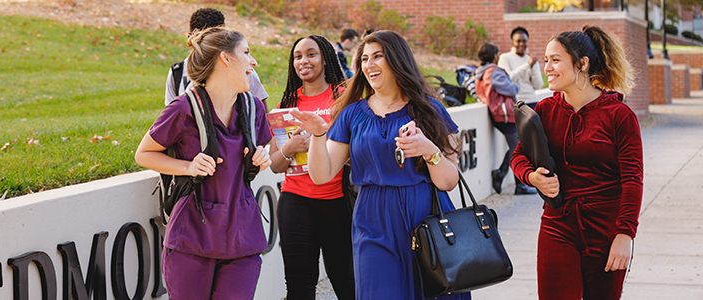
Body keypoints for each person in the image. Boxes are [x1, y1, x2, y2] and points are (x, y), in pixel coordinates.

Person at [289, 30, 470, 300]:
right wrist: (318, 134)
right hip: (372, 220)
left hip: (426, 216)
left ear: (397, 60)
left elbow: (448, 181)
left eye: (377, 56)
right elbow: (321, 174)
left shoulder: (430, 110)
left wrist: (429, 150)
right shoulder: (352, 113)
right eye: (364, 59)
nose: (369, 64)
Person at [134, 26, 272, 299]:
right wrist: (188, 167)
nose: (253, 61)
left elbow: (268, 149)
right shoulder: (183, 108)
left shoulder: (254, 108)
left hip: (243, 236)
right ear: (225, 58)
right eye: (246, 52)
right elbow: (144, 154)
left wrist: (263, 156)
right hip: (192, 236)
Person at [511, 25, 641, 299]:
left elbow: (632, 179)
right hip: (557, 226)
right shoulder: (545, 110)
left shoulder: (619, 115)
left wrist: (625, 235)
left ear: (582, 64)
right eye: (546, 60)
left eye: (555, 60)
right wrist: (532, 177)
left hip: (606, 232)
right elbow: (519, 156)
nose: (547, 67)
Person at [269, 35, 355, 300]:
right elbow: (274, 164)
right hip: (296, 200)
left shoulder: (344, 98)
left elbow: (356, 151)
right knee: (298, 285)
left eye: (311, 54)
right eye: (297, 56)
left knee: (346, 280)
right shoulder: (287, 105)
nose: (303, 61)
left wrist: (320, 141)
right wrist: (291, 147)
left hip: (337, 200)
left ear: (325, 58)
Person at [164, 7, 269, 107]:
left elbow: (262, 113)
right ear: (190, 39)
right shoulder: (177, 73)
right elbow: (170, 117)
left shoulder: (243, 70)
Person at [475, 43, 537, 195]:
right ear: (494, 55)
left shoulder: (481, 71)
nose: (498, 56)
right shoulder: (494, 72)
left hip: (497, 113)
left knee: (517, 146)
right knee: (518, 147)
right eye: (497, 53)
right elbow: (507, 87)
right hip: (503, 115)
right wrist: (516, 86)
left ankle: (503, 174)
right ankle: (515, 182)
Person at [498, 27, 544, 104]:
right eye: (518, 41)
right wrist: (527, 65)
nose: (521, 44)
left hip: (533, 100)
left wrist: (533, 68)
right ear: (512, 42)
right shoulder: (505, 58)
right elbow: (509, 80)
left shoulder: (532, 60)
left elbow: (538, 86)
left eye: (524, 41)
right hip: (516, 102)